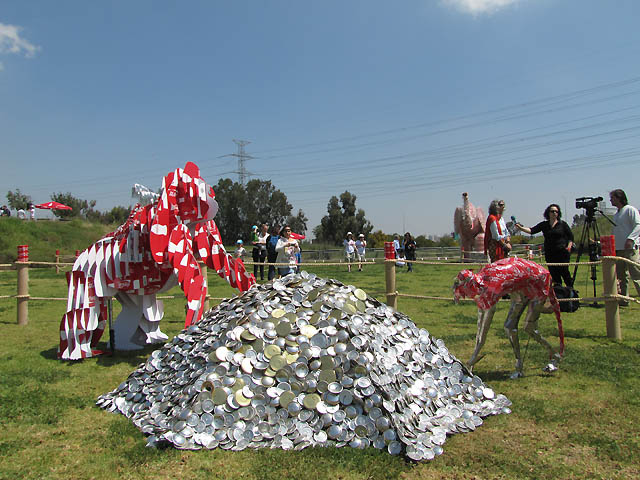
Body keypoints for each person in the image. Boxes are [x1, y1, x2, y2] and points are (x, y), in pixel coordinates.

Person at [515, 204, 574, 287]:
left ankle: (571, 294)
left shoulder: (563, 224)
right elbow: (532, 230)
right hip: (550, 254)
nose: (554, 213)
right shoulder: (544, 225)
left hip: (562, 254)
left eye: (556, 211)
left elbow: (570, 237)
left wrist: (569, 246)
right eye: (552, 211)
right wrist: (521, 228)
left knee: (565, 274)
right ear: (548, 213)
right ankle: (559, 295)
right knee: (555, 276)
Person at [610, 189, 640, 306]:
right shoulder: (616, 214)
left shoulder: (630, 210)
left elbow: (638, 225)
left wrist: (631, 239)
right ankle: (624, 299)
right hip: (618, 248)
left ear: (619, 198)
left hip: (630, 248)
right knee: (621, 275)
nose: (611, 200)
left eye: (612, 198)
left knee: (636, 273)